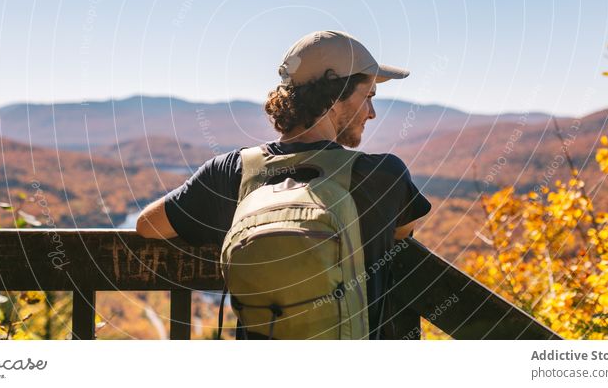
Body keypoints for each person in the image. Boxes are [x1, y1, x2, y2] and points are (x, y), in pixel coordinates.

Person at [136, 30, 432, 338]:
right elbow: (404, 230)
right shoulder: (383, 176)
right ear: (334, 98)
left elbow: (148, 226)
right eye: (368, 96)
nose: (371, 113)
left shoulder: (230, 172)